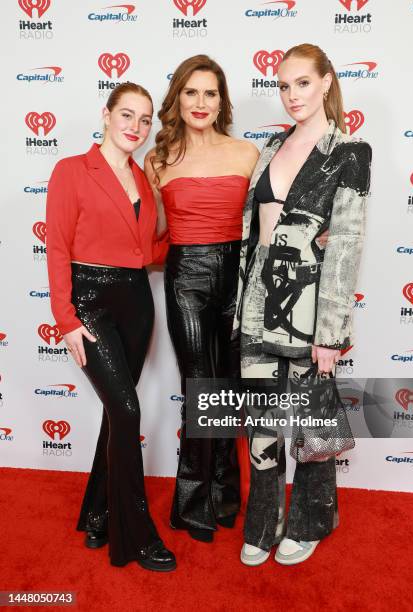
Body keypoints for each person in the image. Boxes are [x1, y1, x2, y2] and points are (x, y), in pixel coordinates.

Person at [232, 43, 372, 566]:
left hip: (310, 310)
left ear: (327, 82)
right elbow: (254, 235)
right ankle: (263, 522)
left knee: (313, 423)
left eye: (303, 83)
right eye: (284, 85)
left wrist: (331, 334)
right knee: (262, 423)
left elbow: (346, 249)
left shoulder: (350, 152)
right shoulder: (270, 147)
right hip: (255, 304)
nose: (292, 95)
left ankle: (313, 518)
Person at [45, 82, 176, 572]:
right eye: (127, 114)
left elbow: (147, 252)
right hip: (90, 303)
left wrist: (207, 236)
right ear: (105, 113)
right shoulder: (71, 171)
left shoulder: (144, 180)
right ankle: (137, 533)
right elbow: (58, 248)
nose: (135, 127)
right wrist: (67, 320)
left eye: (144, 120)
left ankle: (98, 512)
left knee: (115, 414)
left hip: (136, 304)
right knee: (126, 410)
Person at [144, 55, 259, 543]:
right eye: (191, 92)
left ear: (222, 101)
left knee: (229, 387)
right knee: (200, 385)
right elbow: (154, 235)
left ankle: (226, 496)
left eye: (210, 93)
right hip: (186, 276)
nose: (200, 102)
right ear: (178, 98)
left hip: (238, 276)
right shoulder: (158, 159)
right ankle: (191, 505)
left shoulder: (248, 153)